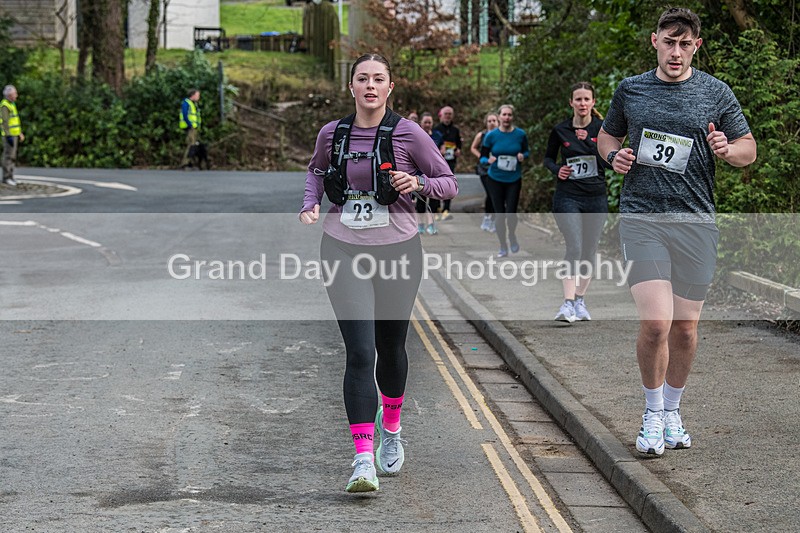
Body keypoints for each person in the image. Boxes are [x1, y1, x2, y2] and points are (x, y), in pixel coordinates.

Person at [597, 7, 757, 457]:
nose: (676, 51)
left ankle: (672, 409)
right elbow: (607, 139)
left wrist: (728, 149)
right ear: (655, 41)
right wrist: (615, 158)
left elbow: (749, 150)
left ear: (697, 46)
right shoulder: (631, 89)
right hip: (642, 218)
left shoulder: (715, 92)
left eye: (685, 44)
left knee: (685, 330)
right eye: (669, 42)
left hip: (695, 222)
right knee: (655, 323)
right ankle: (651, 414)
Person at [299, 53, 458, 492]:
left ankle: (392, 429)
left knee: (391, 350)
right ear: (350, 87)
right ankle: (363, 459)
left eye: (378, 79)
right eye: (362, 78)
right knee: (359, 352)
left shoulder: (409, 133)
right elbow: (316, 171)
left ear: (390, 87)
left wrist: (419, 184)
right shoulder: (332, 133)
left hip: (398, 253)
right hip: (341, 250)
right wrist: (310, 203)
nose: (370, 85)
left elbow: (449, 182)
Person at [544, 82, 610, 323]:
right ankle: (567, 303)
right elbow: (548, 159)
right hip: (568, 196)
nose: (582, 104)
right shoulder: (560, 130)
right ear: (571, 103)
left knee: (589, 250)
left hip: (595, 196)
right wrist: (557, 169)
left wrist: (591, 142)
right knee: (574, 246)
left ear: (593, 103)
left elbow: (610, 162)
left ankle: (580, 300)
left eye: (587, 99)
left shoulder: (602, 129)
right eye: (578, 99)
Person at [480, 104, 530, 257]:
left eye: (509, 115)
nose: (507, 118)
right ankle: (502, 245)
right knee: (500, 214)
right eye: (504, 115)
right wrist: (488, 160)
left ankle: (512, 236)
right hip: (495, 179)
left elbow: (526, 151)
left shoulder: (520, 134)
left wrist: (523, 156)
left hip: (514, 179)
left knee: (511, 214)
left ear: (512, 117)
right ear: (499, 117)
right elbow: (482, 157)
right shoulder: (491, 136)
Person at [471, 112, 499, 233]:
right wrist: (481, 156)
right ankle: (488, 218)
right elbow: (473, 147)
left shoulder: (501, 135)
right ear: (486, 123)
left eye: (494, 121)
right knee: (491, 192)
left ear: (498, 122)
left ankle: (492, 219)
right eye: (490, 121)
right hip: (484, 169)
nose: (492, 123)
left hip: (498, 168)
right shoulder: (481, 135)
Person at [432, 105, 462, 220]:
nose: (448, 116)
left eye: (450, 114)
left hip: (451, 161)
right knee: (437, 183)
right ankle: (436, 208)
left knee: (450, 183)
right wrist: (440, 151)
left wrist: (458, 150)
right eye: (446, 114)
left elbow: (459, 144)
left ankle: (446, 209)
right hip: (438, 162)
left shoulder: (455, 130)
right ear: (441, 115)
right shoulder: (436, 129)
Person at [415, 112, 440, 235]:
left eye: (430, 122)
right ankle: (420, 224)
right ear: (421, 123)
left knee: (434, 199)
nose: (428, 124)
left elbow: (441, 151)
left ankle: (431, 224)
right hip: (420, 172)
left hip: (434, 172)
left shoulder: (437, 135)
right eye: (425, 122)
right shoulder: (416, 135)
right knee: (421, 200)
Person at [1, 85, 24, 187]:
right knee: (8, 156)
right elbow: (4, 122)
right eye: (15, 93)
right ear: (9, 95)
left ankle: (11, 176)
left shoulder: (12, 104)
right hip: (8, 135)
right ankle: (6, 177)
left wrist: (19, 133)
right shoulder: (5, 105)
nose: (17, 95)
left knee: (13, 156)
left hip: (14, 134)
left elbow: (14, 121)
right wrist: (8, 135)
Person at [179, 88, 201, 169]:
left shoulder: (193, 104)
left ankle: (190, 162)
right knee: (191, 145)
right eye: (197, 95)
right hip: (189, 127)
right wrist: (190, 124)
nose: (198, 97)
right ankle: (185, 163)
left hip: (194, 127)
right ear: (193, 95)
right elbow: (185, 115)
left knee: (193, 145)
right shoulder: (186, 103)